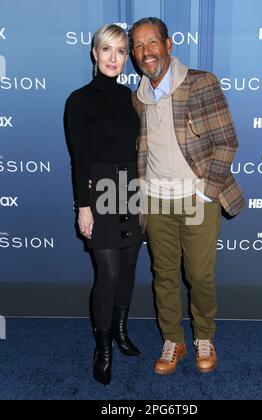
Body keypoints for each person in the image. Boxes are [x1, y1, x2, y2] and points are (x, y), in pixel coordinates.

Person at [129, 18, 245, 375]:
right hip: (156, 200)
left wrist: (207, 193)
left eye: (152, 43)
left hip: (196, 199)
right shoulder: (139, 97)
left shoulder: (200, 82)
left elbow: (227, 142)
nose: (146, 52)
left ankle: (204, 336)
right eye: (138, 46)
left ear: (168, 45)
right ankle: (173, 339)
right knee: (163, 274)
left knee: (199, 275)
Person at [64, 24, 145, 386]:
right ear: (94, 54)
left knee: (128, 270)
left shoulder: (131, 97)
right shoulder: (78, 100)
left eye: (121, 51)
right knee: (108, 275)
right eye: (107, 50)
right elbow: (79, 159)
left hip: (131, 189)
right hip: (100, 194)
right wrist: (84, 206)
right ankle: (103, 346)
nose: (114, 58)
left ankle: (121, 331)